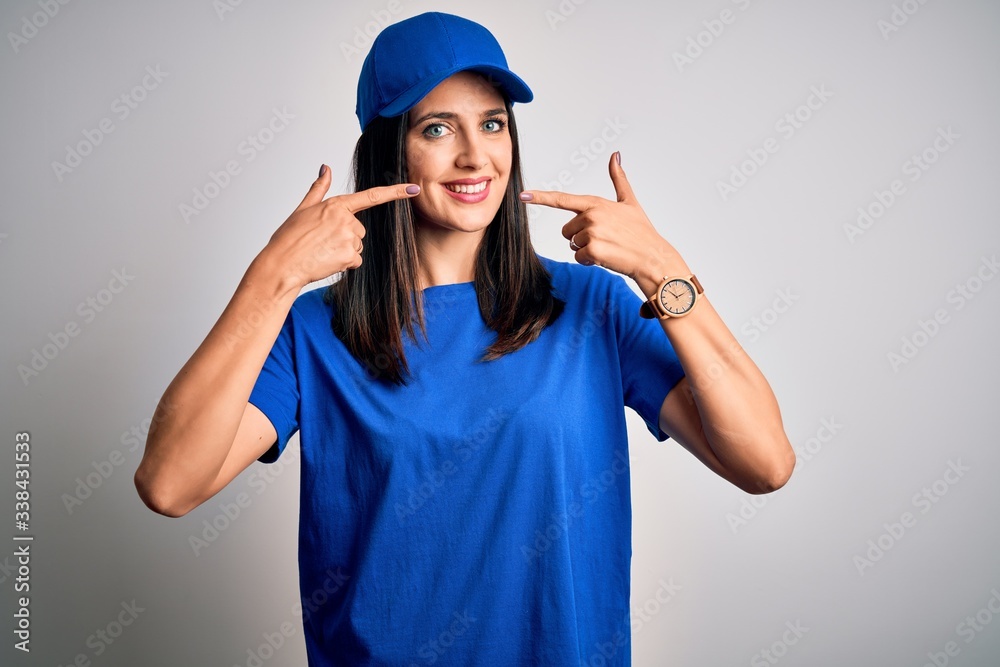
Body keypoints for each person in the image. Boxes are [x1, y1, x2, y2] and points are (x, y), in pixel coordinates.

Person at [135, 11, 795, 666]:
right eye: (437, 128)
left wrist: (665, 270)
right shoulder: (316, 330)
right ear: (390, 148)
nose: (475, 154)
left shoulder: (591, 308)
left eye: (492, 123)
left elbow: (765, 463)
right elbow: (169, 484)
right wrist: (269, 279)